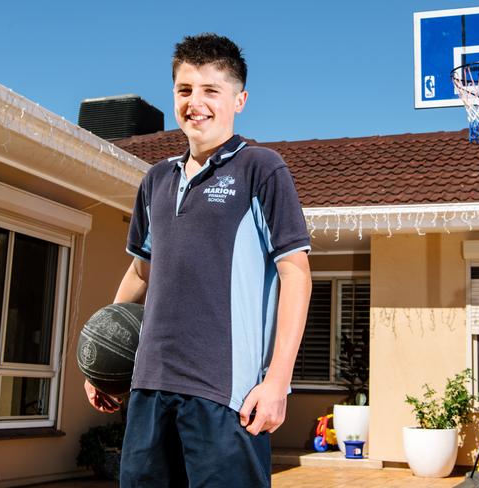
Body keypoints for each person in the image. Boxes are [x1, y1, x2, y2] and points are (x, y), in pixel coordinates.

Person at [84, 33, 312, 487]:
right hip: (149, 392)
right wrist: (102, 360)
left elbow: (296, 274)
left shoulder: (260, 169)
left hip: (227, 396)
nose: (196, 102)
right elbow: (139, 273)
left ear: (239, 100)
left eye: (212, 90)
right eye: (185, 90)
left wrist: (277, 383)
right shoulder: (155, 181)